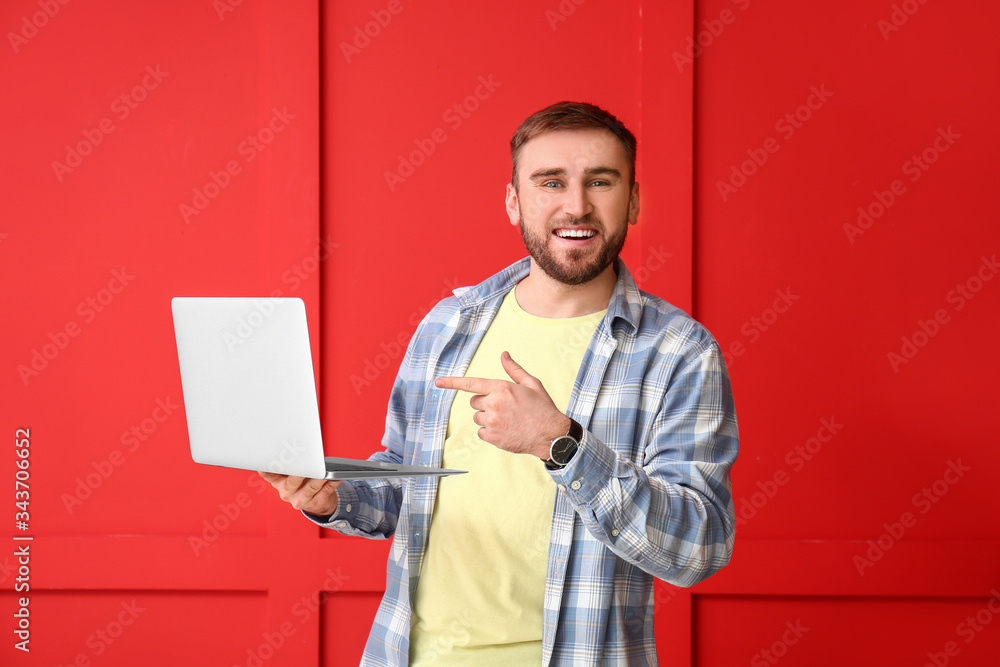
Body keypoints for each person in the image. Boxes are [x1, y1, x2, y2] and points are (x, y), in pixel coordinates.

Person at [261, 101, 738, 665]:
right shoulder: (448, 324)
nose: (576, 205)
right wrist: (335, 496)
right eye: (550, 182)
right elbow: (403, 484)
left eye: (601, 181)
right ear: (514, 202)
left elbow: (698, 547)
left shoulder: (680, 352)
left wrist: (561, 446)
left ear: (632, 201)